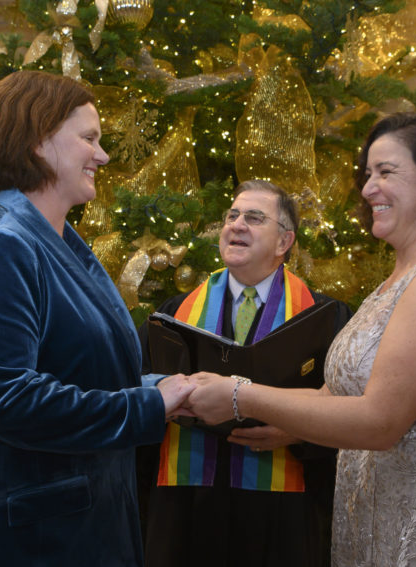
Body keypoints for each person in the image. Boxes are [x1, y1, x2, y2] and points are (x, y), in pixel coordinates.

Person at [186, 112, 416, 566]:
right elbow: (356, 384)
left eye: (386, 172)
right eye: (368, 173)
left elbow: (380, 420)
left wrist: (241, 396)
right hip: (385, 502)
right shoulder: (407, 270)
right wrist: (292, 424)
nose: (368, 188)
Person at [0, 71, 193, 566]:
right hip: (23, 538)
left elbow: (78, 370)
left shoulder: (60, 241)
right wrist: (146, 408)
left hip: (75, 526)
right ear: (37, 141)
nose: (103, 155)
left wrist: (162, 389)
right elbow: (8, 400)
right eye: (89, 138)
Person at [137, 180, 353, 567]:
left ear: (284, 242)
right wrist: (165, 396)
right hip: (187, 501)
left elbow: (351, 407)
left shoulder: (323, 318)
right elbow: (136, 382)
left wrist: (300, 428)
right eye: (232, 216)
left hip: (281, 504)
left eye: (254, 218)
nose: (237, 224)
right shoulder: (173, 313)